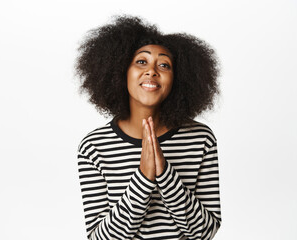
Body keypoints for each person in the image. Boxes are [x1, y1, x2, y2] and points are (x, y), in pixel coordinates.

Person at [75, 14, 222, 240]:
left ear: (178, 79)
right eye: (141, 61)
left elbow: (204, 232)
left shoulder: (200, 138)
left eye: (164, 65)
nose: (152, 71)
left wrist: (165, 173)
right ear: (121, 71)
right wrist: (144, 178)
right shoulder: (94, 147)